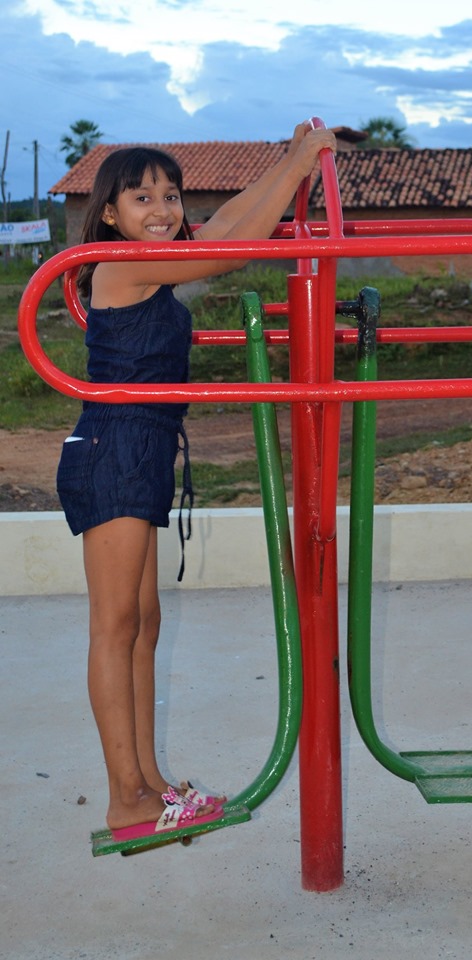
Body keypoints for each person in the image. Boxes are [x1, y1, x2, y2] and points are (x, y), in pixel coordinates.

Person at [55, 122, 336, 842]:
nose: (162, 207)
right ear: (110, 214)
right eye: (141, 196)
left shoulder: (157, 257)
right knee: (114, 627)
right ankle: (125, 799)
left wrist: (285, 166)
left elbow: (235, 224)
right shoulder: (118, 264)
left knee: (143, 626)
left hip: (141, 451)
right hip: (113, 449)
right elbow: (235, 248)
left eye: (171, 195)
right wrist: (299, 160)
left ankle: (148, 782)